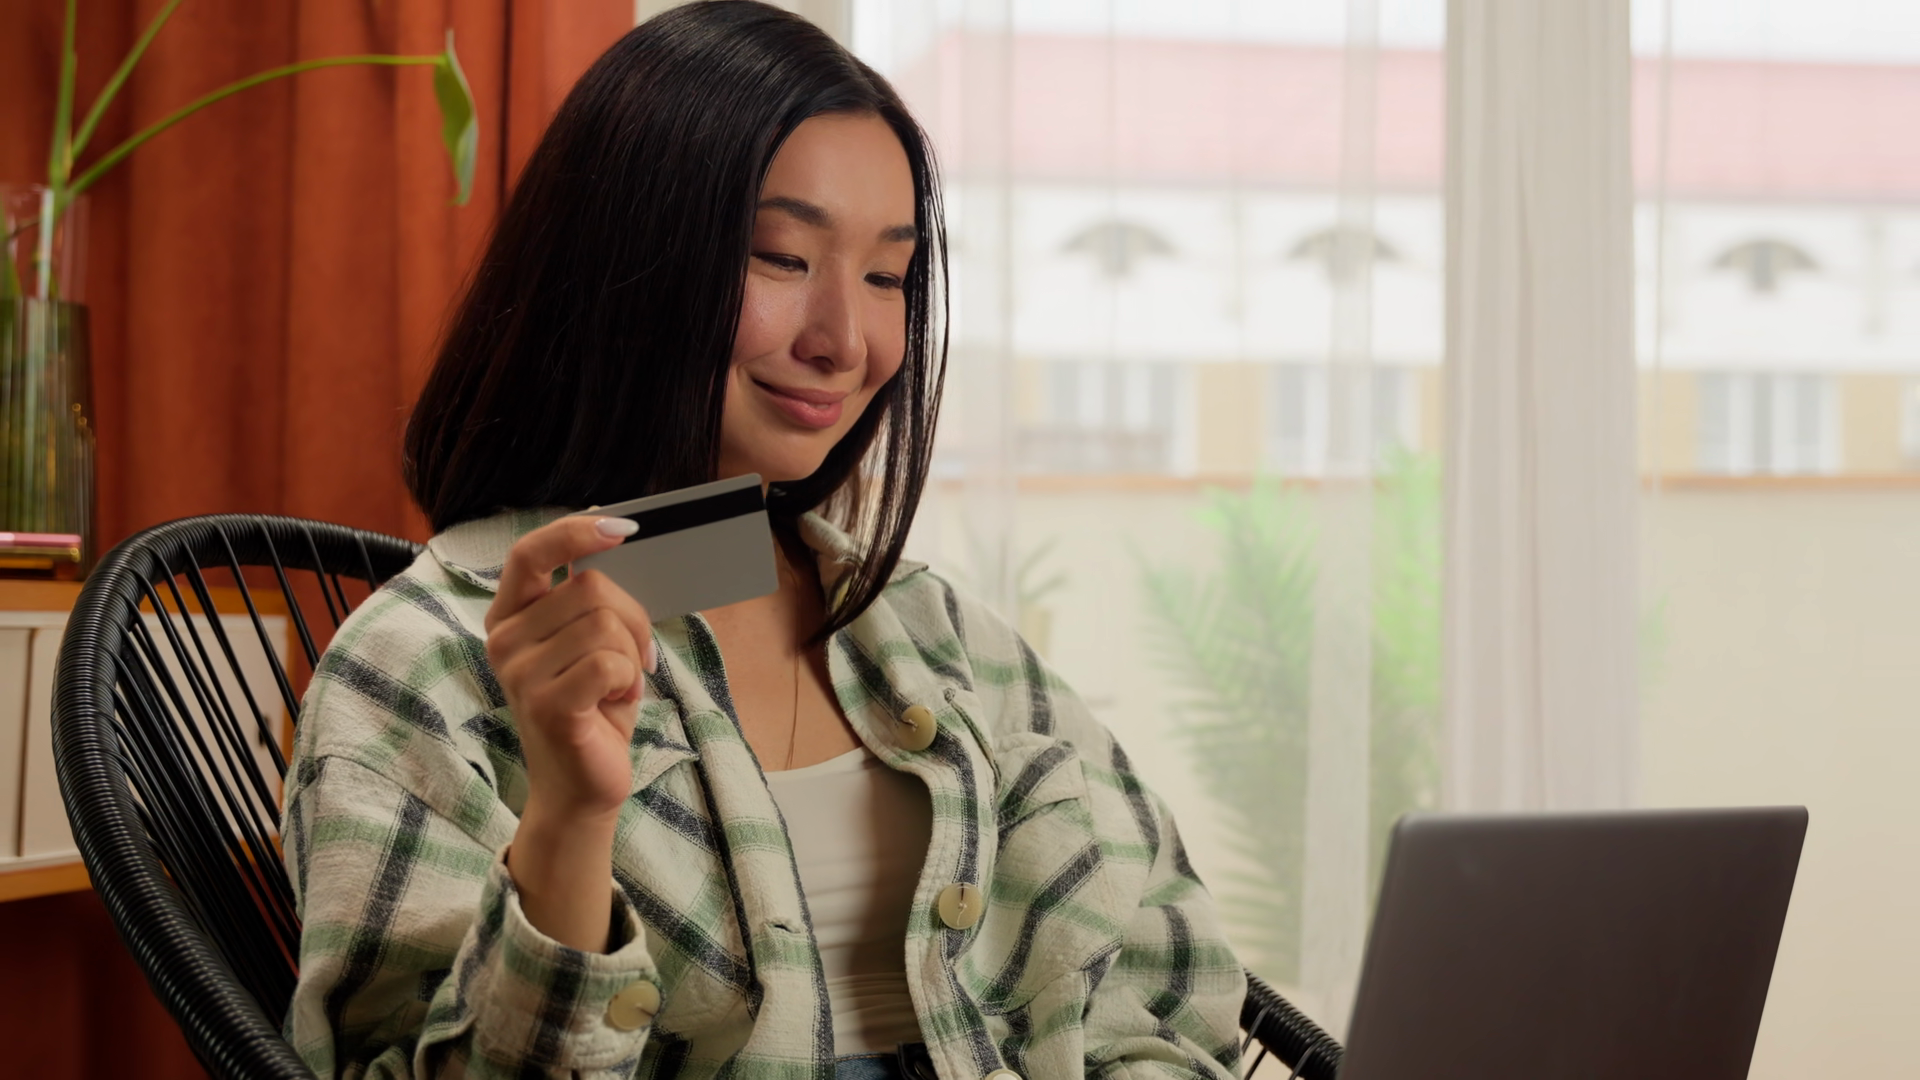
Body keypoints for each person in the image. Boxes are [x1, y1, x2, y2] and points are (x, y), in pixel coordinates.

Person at [284, 3, 1245, 1077]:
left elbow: (1168, 989)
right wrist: (567, 826)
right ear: (619, 262)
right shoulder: (422, 666)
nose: (846, 341)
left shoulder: (928, 631)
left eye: (886, 277)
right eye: (783, 257)